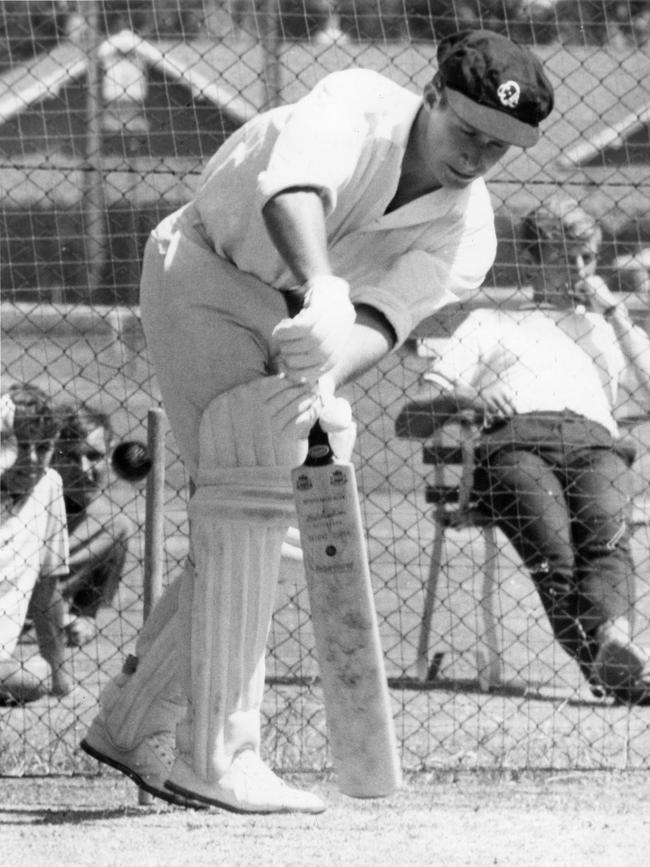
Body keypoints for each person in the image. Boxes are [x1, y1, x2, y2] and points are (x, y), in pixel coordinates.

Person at [80, 29, 554, 813]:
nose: (476, 157)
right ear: (433, 96)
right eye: (468, 131)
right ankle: (218, 755)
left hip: (300, 321)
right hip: (206, 272)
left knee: (281, 522)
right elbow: (290, 192)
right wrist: (322, 288)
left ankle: (131, 724)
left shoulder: (470, 231)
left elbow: (385, 317)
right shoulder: (356, 102)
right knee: (253, 487)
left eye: (499, 148)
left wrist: (324, 366)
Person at [415, 193, 650, 705]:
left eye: (590, 257)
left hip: (594, 444)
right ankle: (614, 653)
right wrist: (470, 397)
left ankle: (612, 653)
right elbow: (415, 412)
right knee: (557, 555)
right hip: (515, 443)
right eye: (571, 256)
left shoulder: (601, 329)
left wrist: (613, 311)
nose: (583, 270)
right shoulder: (491, 322)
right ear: (533, 259)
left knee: (606, 539)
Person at [0, 385, 72, 704]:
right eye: (18, 446)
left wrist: (60, 679)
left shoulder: (48, 486)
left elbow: (47, 585)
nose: (29, 460)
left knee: (34, 675)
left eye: (42, 448)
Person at [50, 403, 133, 647]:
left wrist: (84, 620)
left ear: (109, 456)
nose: (84, 469)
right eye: (72, 456)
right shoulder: (18, 506)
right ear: (53, 456)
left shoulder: (111, 527)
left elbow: (86, 612)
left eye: (94, 456)